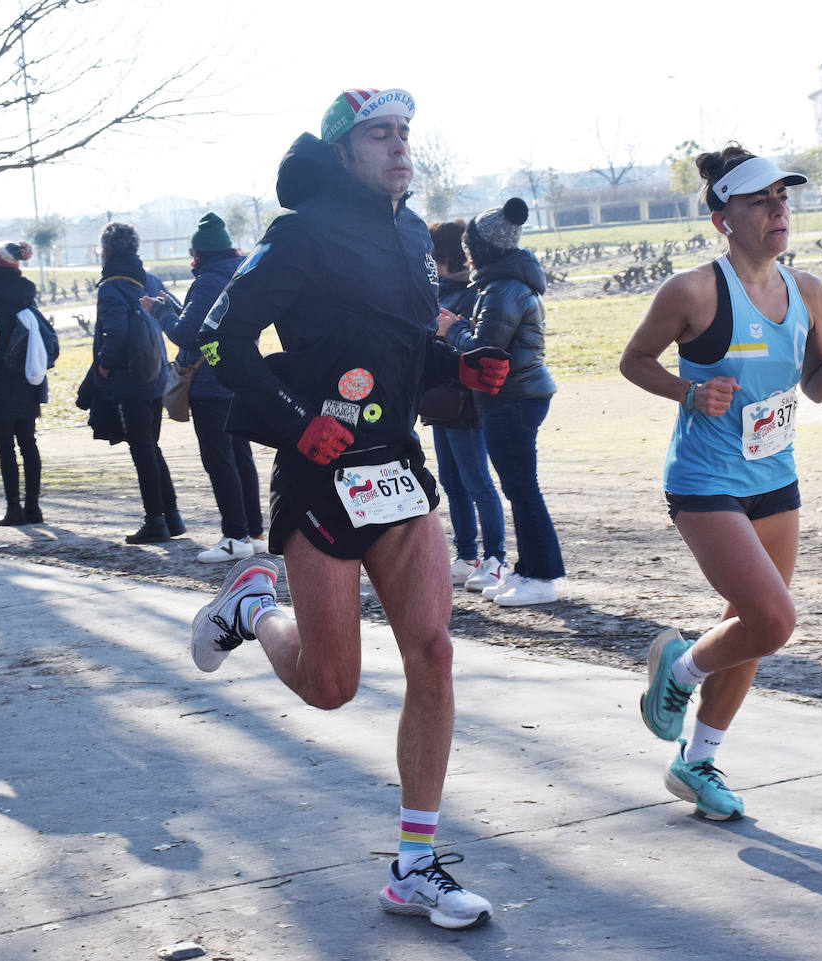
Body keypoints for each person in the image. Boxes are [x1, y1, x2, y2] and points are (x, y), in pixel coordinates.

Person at [190, 88, 509, 930]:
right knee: (332, 685)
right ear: (343, 152)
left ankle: (414, 866)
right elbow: (220, 341)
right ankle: (254, 607)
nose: (399, 147)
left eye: (405, 133)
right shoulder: (299, 234)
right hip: (319, 474)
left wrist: (459, 366)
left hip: (397, 470)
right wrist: (300, 422)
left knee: (433, 653)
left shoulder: (409, 231)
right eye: (379, 135)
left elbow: (407, 336)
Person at [620, 144, 822, 820]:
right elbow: (633, 360)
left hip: (775, 477)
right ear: (724, 215)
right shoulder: (694, 291)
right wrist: (688, 393)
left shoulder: (806, 290)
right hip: (706, 481)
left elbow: (816, 388)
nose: (778, 209)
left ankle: (696, 761)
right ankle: (677, 668)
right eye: (760, 200)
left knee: (749, 624)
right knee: (773, 620)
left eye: (782, 197)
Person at [448, 199, 564, 606]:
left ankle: (544, 576)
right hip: (516, 397)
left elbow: (485, 350)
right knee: (518, 487)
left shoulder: (504, 288)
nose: (465, 250)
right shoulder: (507, 282)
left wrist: (452, 328)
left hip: (513, 398)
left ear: (482, 247)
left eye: (470, 243)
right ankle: (528, 569)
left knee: (522, 488)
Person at [155, 212, 264, 562]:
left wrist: (161, 314)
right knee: (241, 456)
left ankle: (234, 537)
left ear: (200, 253)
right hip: (241, 377)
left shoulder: (207, 281)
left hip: (211, 382)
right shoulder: (244, 273)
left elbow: (188, 333)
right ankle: (255, 533)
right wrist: (172, 308)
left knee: (219, 460)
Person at [426, 219, 508, 594]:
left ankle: (494, 558)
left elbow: (472, 343)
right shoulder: (433, 293)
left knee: (477, 481)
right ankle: (466, 554)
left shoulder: (473, 294)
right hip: (438, 399)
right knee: (451, 481)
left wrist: (448, 331)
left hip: (466, 400)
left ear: (442, 256)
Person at [92, 221, 183, 544]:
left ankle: (155, 520)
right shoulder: (150, 279)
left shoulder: (111, 286)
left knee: (142, 448)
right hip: (156, 373)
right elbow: (177, 311)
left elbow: (114, 333)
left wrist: (103, 367)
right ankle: (172, 517)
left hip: (129, 380)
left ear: (105, 251)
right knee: (151, 446)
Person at [0, 241, 47, 526]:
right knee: (28, 443)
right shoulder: (27, 294)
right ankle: (34, 508)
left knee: (5, 448)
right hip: (26, 378)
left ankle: (13, 509)